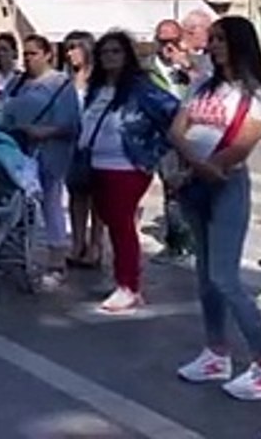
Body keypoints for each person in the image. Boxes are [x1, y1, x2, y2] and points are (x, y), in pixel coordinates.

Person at [171, 15, 261, 401]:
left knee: (225, 277)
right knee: (204, 276)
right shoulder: (203, 86)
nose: (212, 45)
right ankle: (216, 351)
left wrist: (210, 167)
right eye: (211, 38)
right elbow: (177, 128)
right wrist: (192, 164)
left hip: (227, 184)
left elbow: (245, 142)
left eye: (220, 39)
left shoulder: (255, 94)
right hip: (195, 181)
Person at [79, 32, 180, 313]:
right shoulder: (97, 88)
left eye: (116, 52)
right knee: (112, 222)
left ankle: (129, 286)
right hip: (97, 162)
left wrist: (156, 149)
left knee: (122, 224)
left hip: (128, 164)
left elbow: (173, 112)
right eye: (105, 52)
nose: (110, 57)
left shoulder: (140, 87)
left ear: (127, 56)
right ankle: (121, 277)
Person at [0, 35, 80, 284]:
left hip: (50, 153)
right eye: (26, 54)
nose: (28, 59)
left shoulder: (61, 85)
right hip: (19, 151)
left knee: (51, 203)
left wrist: (46, 132)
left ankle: (57, 260)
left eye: (34, 54)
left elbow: (72, 124)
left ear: (48, 54)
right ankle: (16, 255)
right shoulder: (18, 82)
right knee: (17, 206)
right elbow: (3, 110)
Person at [151, 18, 195, 263]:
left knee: (195, 187)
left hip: (195, 136)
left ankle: (194, 238)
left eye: (174, 41)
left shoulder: (194, 66)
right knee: (172, 187)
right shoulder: (149, 70)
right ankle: (177, 241)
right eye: (163, 41)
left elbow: (207, 88)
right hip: (165, 138)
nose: (168, 47)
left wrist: (187, 67)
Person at [62, 30, 102, 269]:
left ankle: (96, 244)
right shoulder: (67, 80)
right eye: (68, 49)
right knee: (76, 194)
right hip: (73, 143)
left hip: (96, 143)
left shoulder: (98, 80)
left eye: (75, 48)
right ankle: (77, 242)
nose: (70, 54)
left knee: (98, 197)